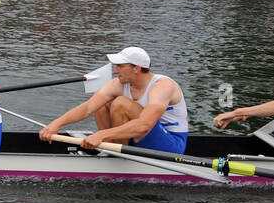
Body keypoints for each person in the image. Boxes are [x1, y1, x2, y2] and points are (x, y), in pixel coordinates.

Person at [39, 46, 189, 154]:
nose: (115, 70)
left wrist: (101, 135)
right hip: (135, 139)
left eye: (120, 66)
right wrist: (55, 124)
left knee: (120, 103)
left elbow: (144, 125)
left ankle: (113, 152)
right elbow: (87, 108)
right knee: (101, 103)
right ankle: (110, 148)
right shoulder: (118, 84)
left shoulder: (162, 86)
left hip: (170, 146)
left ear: (136, 68)